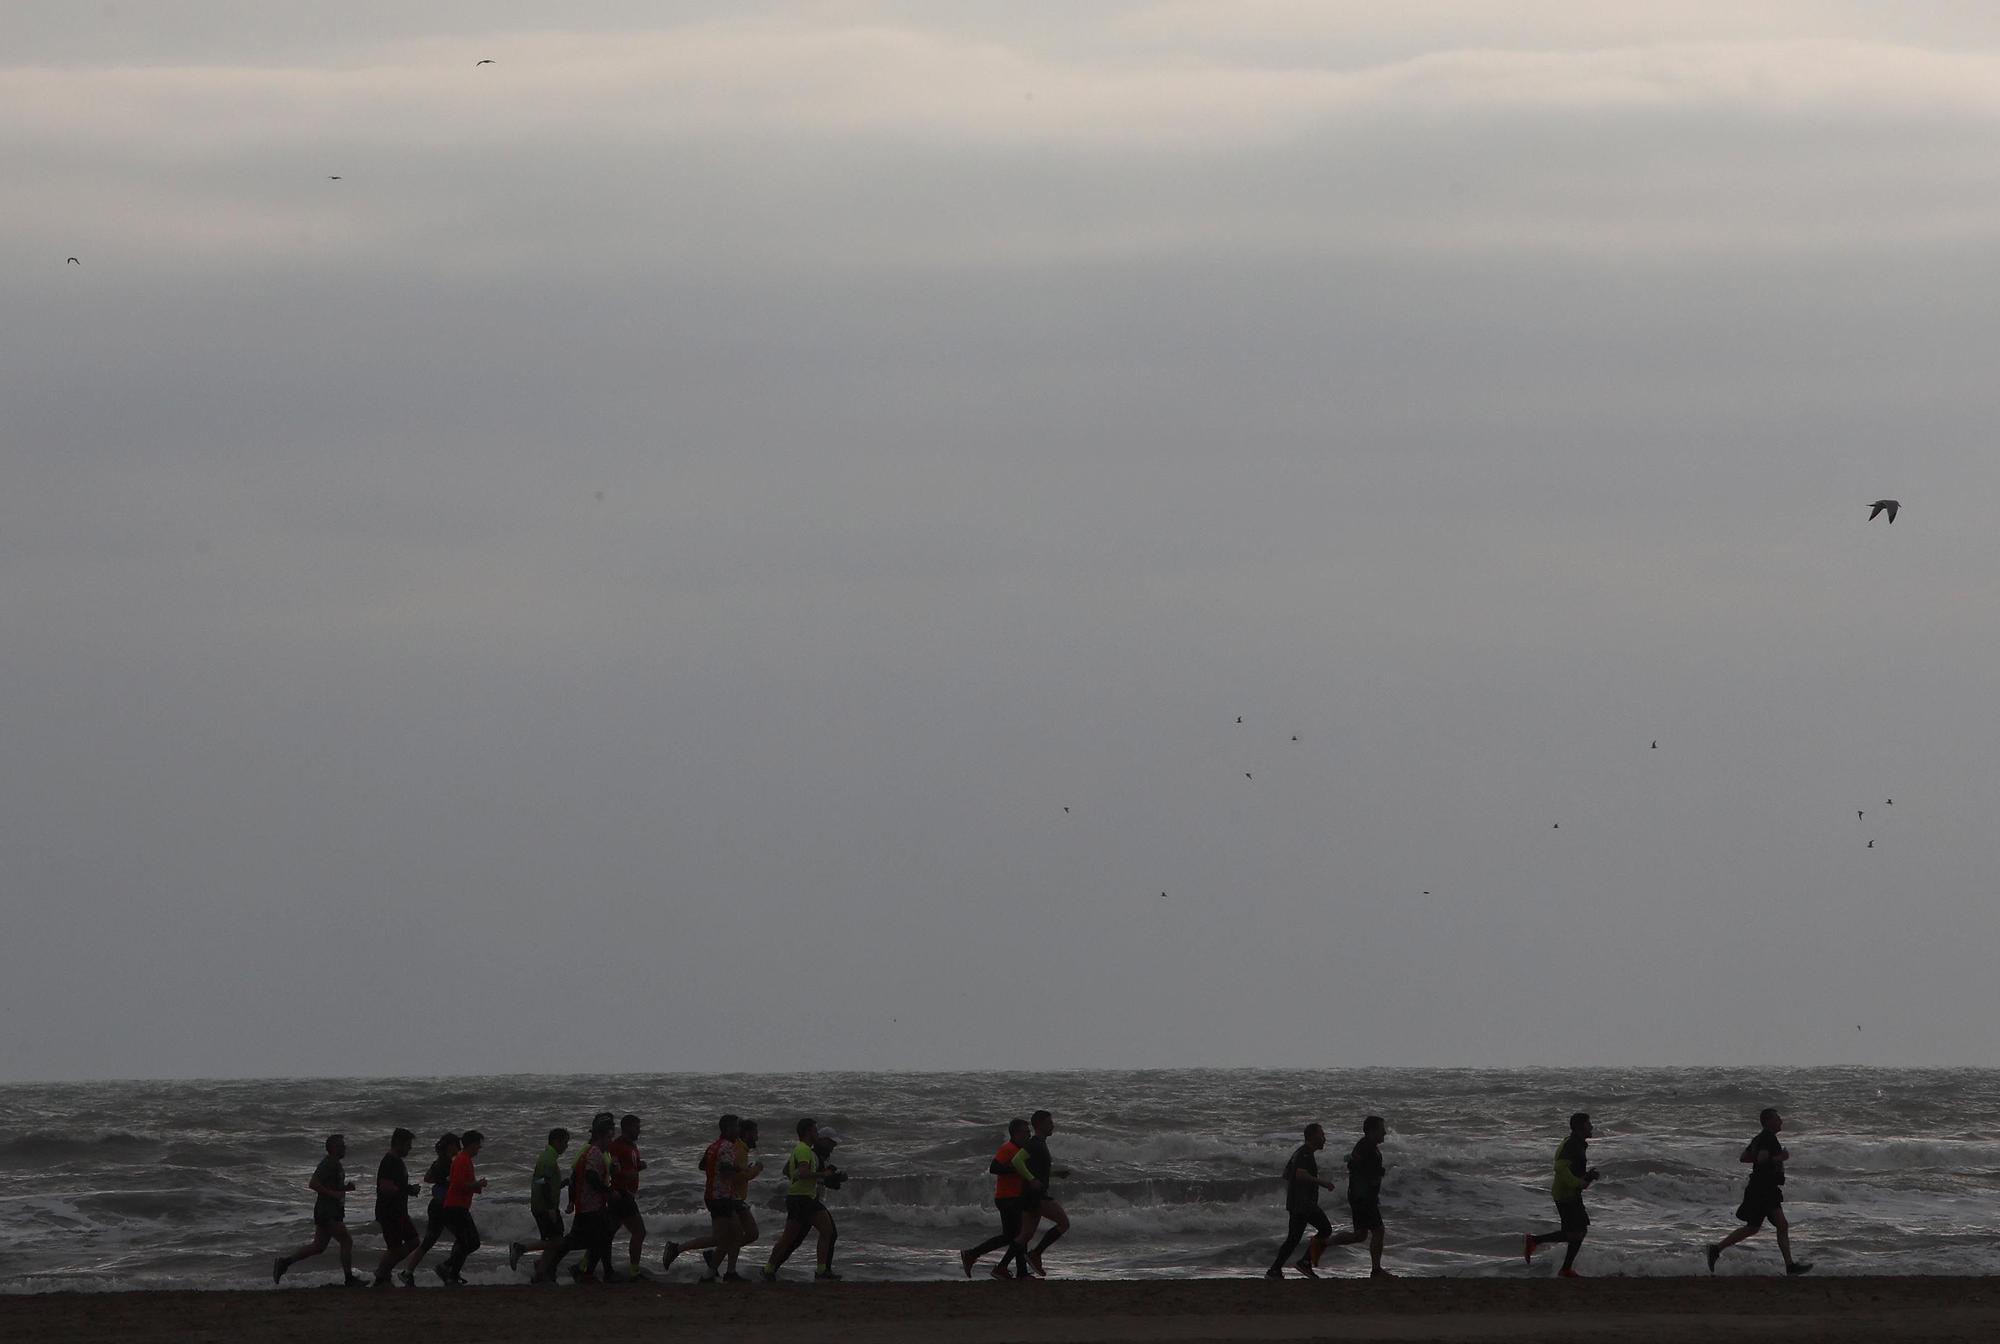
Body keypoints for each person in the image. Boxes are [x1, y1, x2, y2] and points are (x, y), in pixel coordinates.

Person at [1707, 1108, 1813, 1276]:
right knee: (1780, 1224)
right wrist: (1780, 1157)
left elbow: (1744, 1157)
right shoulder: (1768, 1139)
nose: (1781, 1121)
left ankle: (1716, 1249)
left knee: (1753, 1227)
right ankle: (1790, 1266)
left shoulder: (1759, 1139)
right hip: (1764, 1188)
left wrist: (1764, 1157)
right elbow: (1763, 1159)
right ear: (1769, 1121)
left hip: (1760, 1187)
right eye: (1778, 1118)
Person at [537, 1114, 618, 1283]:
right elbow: (587, 1176)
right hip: (589, 1205)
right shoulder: (593, 1152)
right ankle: (556, 1268)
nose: (612, 1140)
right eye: (610, 1137)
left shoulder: (600, 1152)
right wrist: (607, 1191)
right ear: (602, 1136)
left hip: (591, 1205)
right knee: (579, 1241)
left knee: (596, 1238)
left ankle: (587, 1271)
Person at [272, 1133, 361, 1286]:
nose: (344, 1148)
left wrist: (345, 1188)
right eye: (341, 1146)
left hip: (330, 1211)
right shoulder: (328, 1164)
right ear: (333, 1148)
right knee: (346, 1241)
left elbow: (331, 1186)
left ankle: (284, 1263)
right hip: (327, 1212)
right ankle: (349, 1279)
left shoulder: (336, 1164)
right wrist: (333, 1194)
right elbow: (313, 1183)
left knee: (318, 1247)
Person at [662, 1114, 741, 1280]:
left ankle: (724, 1273)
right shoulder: (727, 1147)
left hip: (714, 1195)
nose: (738, 1130)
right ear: (727, 1129)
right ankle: (677, 1249)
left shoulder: (713, 1146)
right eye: (736, 1127)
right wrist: (740, 1170)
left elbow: (702, 1165)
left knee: (735, 1234)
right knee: (720, 1238)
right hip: (720, 1197)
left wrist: (716, 1171)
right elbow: (727, 1171)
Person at [1313, 1115, 1393, 1277]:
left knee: (1360, 1235)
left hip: (1361, 1196)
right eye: (1381, 1129)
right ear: (1372, 1131)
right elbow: (1358, 1168)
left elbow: (1355, 1165)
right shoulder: (1366, 1147)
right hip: (1362, 1197)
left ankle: (1322, 1243)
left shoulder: (1367, 1146)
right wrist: (1377, 1174)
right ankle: (1376, 1270)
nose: (1384, 1132)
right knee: (1378, 1230)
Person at [961, 1118, 1040, 1281]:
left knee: (1010, 1236)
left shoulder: (1021, 1149)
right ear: (1016, 1133)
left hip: (1014, 1197)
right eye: (1026, 1131)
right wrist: (1016, 1168)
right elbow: (994, 1168)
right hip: (1007, 1198)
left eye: (1029, 1131)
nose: (1029, 1134)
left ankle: (972, 1254)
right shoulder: (1008, 1149)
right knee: (1020, 1235)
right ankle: (1019, 1272)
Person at [763, 1116, 841, 1281]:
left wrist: (827, 1178)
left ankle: (769, 1269)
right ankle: (821, 1272)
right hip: (804, 1199)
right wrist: (823, 1175)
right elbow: (803, 1173)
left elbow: (790, 1170)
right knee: (826, 1233)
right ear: (808, 1132)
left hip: (802, 1198)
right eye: (814, 1131)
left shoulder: (807, 1152)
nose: (817, 1134)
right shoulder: (806, 1150)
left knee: (791, 1239)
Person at [1525, 1113, 1599, 1277]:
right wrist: (1580, 1182)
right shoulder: (1571, 1144)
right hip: (1566, 1194)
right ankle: (1536, 1243)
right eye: (1589, 1124)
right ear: (1580, 1128)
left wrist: (1587, 1177)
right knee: (1577, 1232)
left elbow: (1572, 1172)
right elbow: (1560, 1168)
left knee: (1577, 1232)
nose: (1592, 1127)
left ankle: (1564, 1267)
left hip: (1569, 1193)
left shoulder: (1577, 1143)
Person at [1265, 1123, 1335, 1279]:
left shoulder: (1299, 1153)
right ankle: (1304, 1262)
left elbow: (1286, 1174)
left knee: (1294, 1238)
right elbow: (1300, 1174)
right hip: (1304, 1204)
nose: (1324, 1138)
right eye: (1322, 1135)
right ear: (1313, 1136)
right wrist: (1322, 1182)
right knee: (1325, 1229)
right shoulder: (1305, 1154)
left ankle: (1275, 1270)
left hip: (1297, 1202)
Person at [1018, 1110, 1073, 1278]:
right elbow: (1016, 1161)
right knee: (1063, 1223)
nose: (1053, 1125)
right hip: (1036, 1195)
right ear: (1040, 1125)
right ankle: (1035, 1254)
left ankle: (1001, 1267)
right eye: (1050, 1122)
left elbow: (1038, 1170)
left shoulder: (1040, 1143)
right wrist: (1031, 1180)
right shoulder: (1035, 1143)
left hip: (1030, 1195)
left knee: (1024, 1236)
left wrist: (1056, 1174)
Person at [399, 1133, 459, 1285]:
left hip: (437, 1205)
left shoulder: (439, 1162)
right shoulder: (448, 1164)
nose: (458, 1147)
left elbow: (427, 1178)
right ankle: (448, 1270)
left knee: (429, 1241)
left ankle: (409, 1272)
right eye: (456, 1144)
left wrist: (440, 1181)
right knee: (463, 1238)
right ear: (450, 1146)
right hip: (443, 1206)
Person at [509, 1128, 570, 1272]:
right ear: (556, 1142)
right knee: (557, 1241)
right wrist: (550, 1208)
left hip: (541, 1205)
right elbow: (544, 1183)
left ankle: (541, 1271)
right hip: (544, 1206)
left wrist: (562, 1184)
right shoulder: (548, 1158)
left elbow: (542, 1182)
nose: (566, 1146)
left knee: (553, 1241)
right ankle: (521, 1248)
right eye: (565, 1143)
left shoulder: (548, 1156)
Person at [437, 1128, 488, 1284]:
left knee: (465, 1242)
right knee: (471, 1242)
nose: (479, 1148)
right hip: (455, 1207)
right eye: (478, 1145)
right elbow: (458, 1184)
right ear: (471, 1145)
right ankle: (448, 1269)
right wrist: (476, 1184)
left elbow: (465, 1185)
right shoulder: (462, 1160)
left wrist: (477, 1185)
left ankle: (451, 1272)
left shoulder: (465, 1160)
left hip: (459, 1206)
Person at [372, 1128, 422, 1286]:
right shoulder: (389, 1161)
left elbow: (397, 1186)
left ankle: (383, 1273)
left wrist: (408, 1190)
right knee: (395, 1248)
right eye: (408, 1144)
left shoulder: (398, 1162)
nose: (410, 1148)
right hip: (389, 1211)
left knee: (413, 1241)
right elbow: (385, 1187)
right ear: (399, 1143)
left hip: (399, 1210)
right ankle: (381, 1274)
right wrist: (407, 1189)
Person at [609, 1113, 650, 1276]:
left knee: (607, 1233)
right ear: (626, 1128)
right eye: (636, 1127)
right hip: (621, 1194)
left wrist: (639, 1167)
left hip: (626, 1194)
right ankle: (634, 1272)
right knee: (639, 1232)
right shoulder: (616, 1146)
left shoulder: (632, 1146)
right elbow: (612, 1171)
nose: (639, 1131)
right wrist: (630, 1174)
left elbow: (631, 1167)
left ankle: (585, 1265)